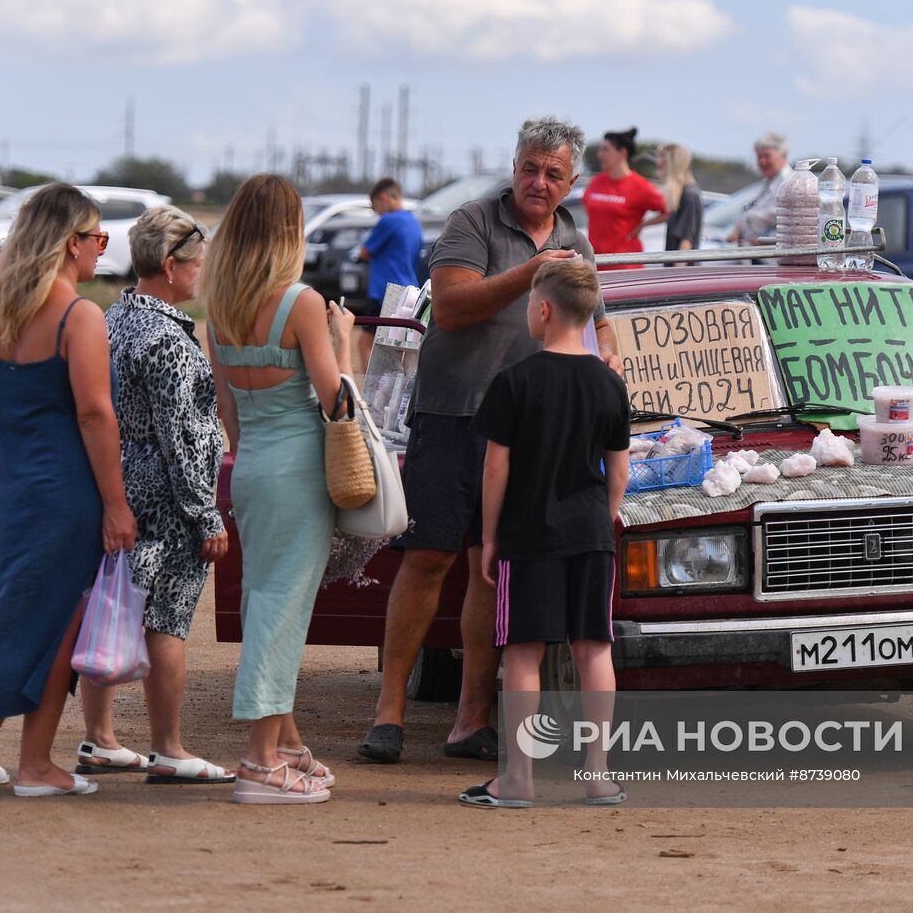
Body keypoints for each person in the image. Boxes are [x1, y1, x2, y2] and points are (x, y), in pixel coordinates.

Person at [357, 116, 621, 765]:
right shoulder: (472, 221)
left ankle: (471, 719)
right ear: (514, 164)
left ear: (572, 180)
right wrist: (531, 272)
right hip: (451, 414)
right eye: (529, 167)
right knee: (428, 558)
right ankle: (388, 712)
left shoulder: (573, 238)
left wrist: (607, 355)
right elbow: (449, 307)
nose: (537, 181)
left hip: (526, 431)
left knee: (489, 567)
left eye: (551, 173)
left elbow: (600, 322)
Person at [0, 183, 136, 797]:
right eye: (98, 238)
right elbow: (95, 415)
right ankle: (34, 766)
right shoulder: (79, 315)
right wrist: (115, 503)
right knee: (58, 627)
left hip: (13, 495)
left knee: (6, 612)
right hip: (66, 495)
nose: (100, 252)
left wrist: (24, 402)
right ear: (70, 244)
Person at [202, 173, 355, 805]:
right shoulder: (301, 302)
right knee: (281, 607)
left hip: (251, 468)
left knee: (269, 596)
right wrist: (345, 344)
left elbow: (227, 413)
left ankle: (286, 742)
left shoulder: (219, 305)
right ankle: (260, 761)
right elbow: (335, 400)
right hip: (298, 469)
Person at [459, 258, 630, 808]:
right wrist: (605, 517)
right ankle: (598, 774)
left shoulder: (515, 382)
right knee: (593, 650)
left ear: (545, 309)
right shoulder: (610, 383)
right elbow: (619, 469)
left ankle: (519, 779)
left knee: (524, 655)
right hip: (590, 534)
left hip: (530, 535)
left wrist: (489, 537)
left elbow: (495, 468)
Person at [75, 206, 234, 784]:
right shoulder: (169, 339)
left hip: (115, 484)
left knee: (111, 607)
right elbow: (183, 438)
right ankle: (168, 747)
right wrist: (205, 514)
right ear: (170, 267)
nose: (202, 275)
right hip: (164, 500)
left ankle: (101, 738)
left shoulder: (114, 319)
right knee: (166, 621)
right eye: (197, 265)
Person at [354, 177, 423, 369]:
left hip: (384, 292)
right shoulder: (414, 222)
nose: (377, 212)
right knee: (397, 348)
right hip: (409, 292)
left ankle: (371, 392)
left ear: (384, 198)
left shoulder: (388, 221)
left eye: (376, 206)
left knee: (366, 343)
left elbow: (365, 252)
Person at [581, 126, 666, 269]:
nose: (600, 154)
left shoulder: (641, 186)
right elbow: (586, 204)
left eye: (605, 150)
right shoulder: (597, 181)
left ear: (622, 153)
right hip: (595, 263)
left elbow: (671, 210)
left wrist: (643, 224)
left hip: (625, 265)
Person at [726, 132, 790, 246]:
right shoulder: (767, 183)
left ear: (783, 156)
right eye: (759, 156)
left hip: (771, 257)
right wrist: (737, 230)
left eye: (767, 156)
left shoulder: (790, 185)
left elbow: (790, 222)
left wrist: (764, 240)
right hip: (752, 253)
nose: (762, 162)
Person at [657, 143, 702, 263]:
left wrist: (676, 273)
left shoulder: (689, 195)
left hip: (682, 274)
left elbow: (686, 241)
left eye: (663, 164)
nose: (659, 165)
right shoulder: (682, 193)